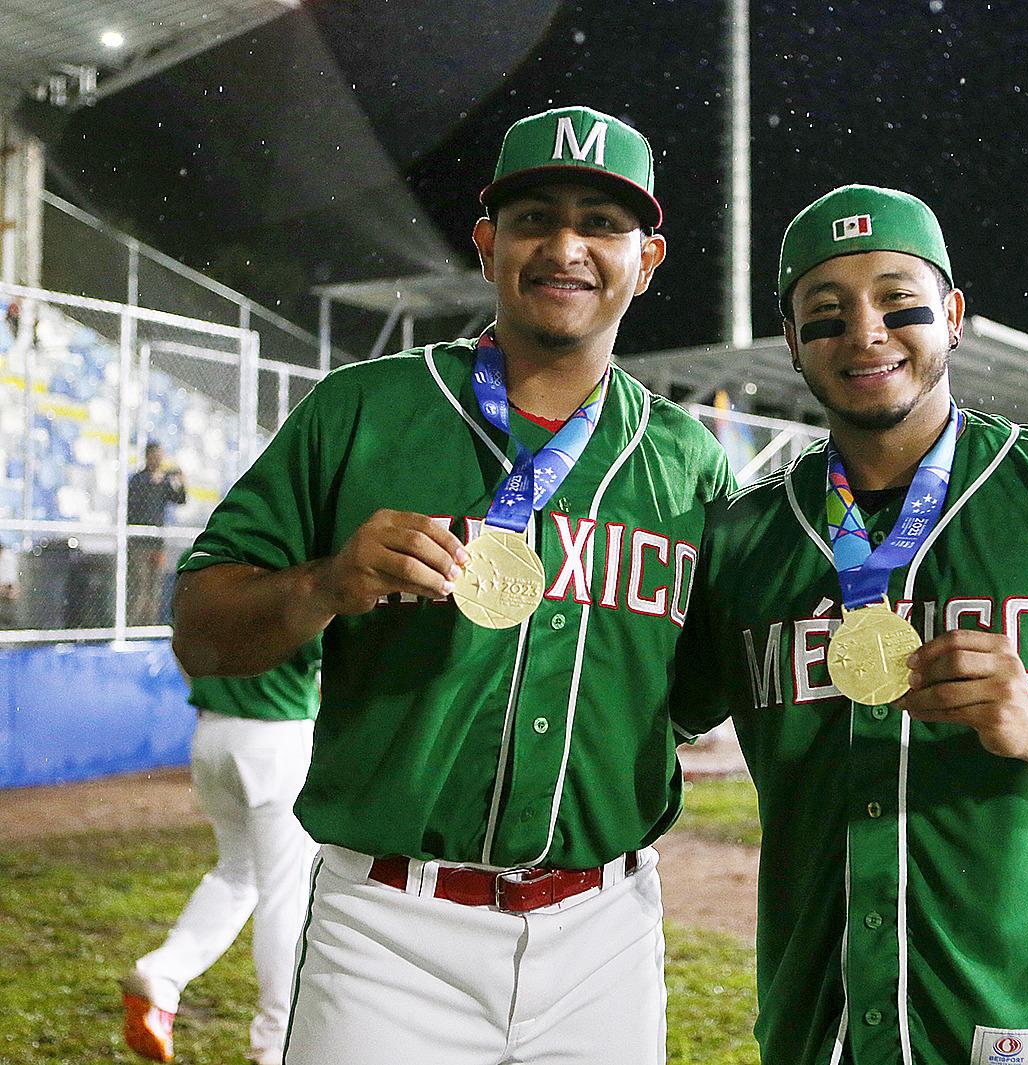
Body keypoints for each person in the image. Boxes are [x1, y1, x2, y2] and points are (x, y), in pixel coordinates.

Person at [170, 105, 732, 1065]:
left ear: (649, 258)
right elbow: (200, 628)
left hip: (605, 931)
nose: (566, 246)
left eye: (602, 223)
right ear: (486, 244)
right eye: (533, 219)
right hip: (388, 929)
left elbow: (695, 696)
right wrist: (325, 582)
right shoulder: (365, 409)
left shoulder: (688, 463)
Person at [670, 185, 1028, 1065]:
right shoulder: (743, 537)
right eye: (825, 312)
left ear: (952, 314)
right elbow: (643, 719)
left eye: (898, 299)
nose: (865, 331)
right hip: (814, 1033)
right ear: (791, 343)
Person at [121, 645, 320, 1064]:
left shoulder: (208, 575)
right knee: (286, 892)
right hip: (278, 733)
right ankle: (275, 1043)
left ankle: (163, 974)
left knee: (237, 874)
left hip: (213, 735)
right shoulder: (303, 576)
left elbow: (185, 648)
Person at [127, 443, 186, 625]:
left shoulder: (163, 482)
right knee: (140, 588)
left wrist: (180, 484)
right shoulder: (138, 480)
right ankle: (133, 627)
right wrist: (155, 482)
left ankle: (149, 627)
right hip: (139, 543)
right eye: (156, 456)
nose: (160, 460)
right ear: (148, 457)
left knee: (155, 589)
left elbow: (180, 500)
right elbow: (134, 506)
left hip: (157, 542)